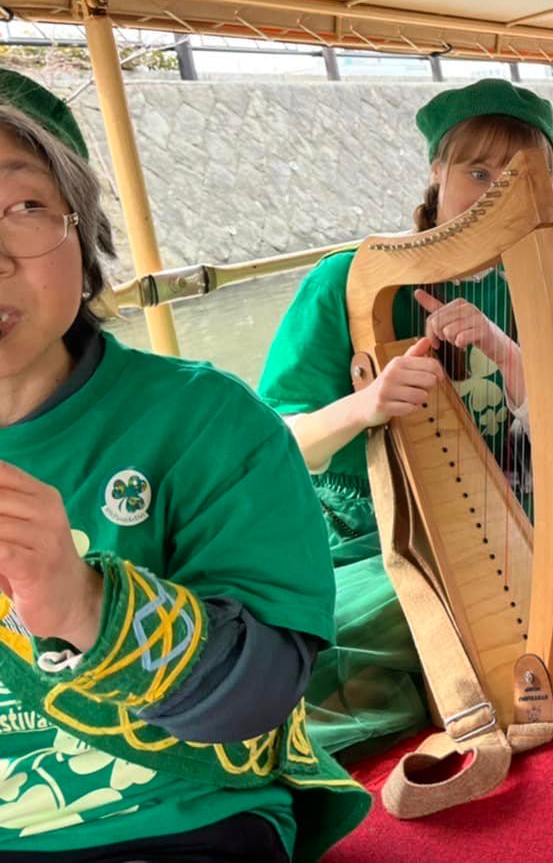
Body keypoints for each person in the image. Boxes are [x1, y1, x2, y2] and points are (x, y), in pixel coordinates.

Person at [258, 79, 553, 756]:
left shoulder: (531, 287)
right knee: (350, 618)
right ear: (436, 171)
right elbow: (273, 445)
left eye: (514, 181)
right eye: (478, 172)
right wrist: (368, 404)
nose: (493, 194)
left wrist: (507, 352)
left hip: (510, 517)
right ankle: (458, 644)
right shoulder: (346, 284)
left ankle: (465, 643)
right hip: (373, 539)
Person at [0, 71, 366, 861]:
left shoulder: (206, 423)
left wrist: (87, 607)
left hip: (175, 820)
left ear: (83, 237)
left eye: (23, 207)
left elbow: (262, 697)